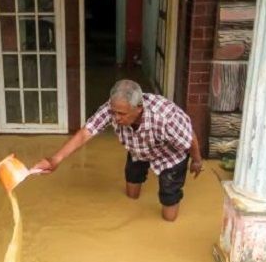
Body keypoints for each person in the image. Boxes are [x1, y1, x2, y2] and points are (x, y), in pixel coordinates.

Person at [32, 79, 202, 221]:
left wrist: (196, 160)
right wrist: (55, 160)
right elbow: (85, 133)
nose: (115, 118)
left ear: (139, 108)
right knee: (131, 196)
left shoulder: (166, 117)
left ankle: (169, 200)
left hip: (169, 155)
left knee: (169, 214)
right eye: (113, 112)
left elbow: (190, 138)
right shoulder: (113, 108)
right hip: (138, 149)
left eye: (121, 114)